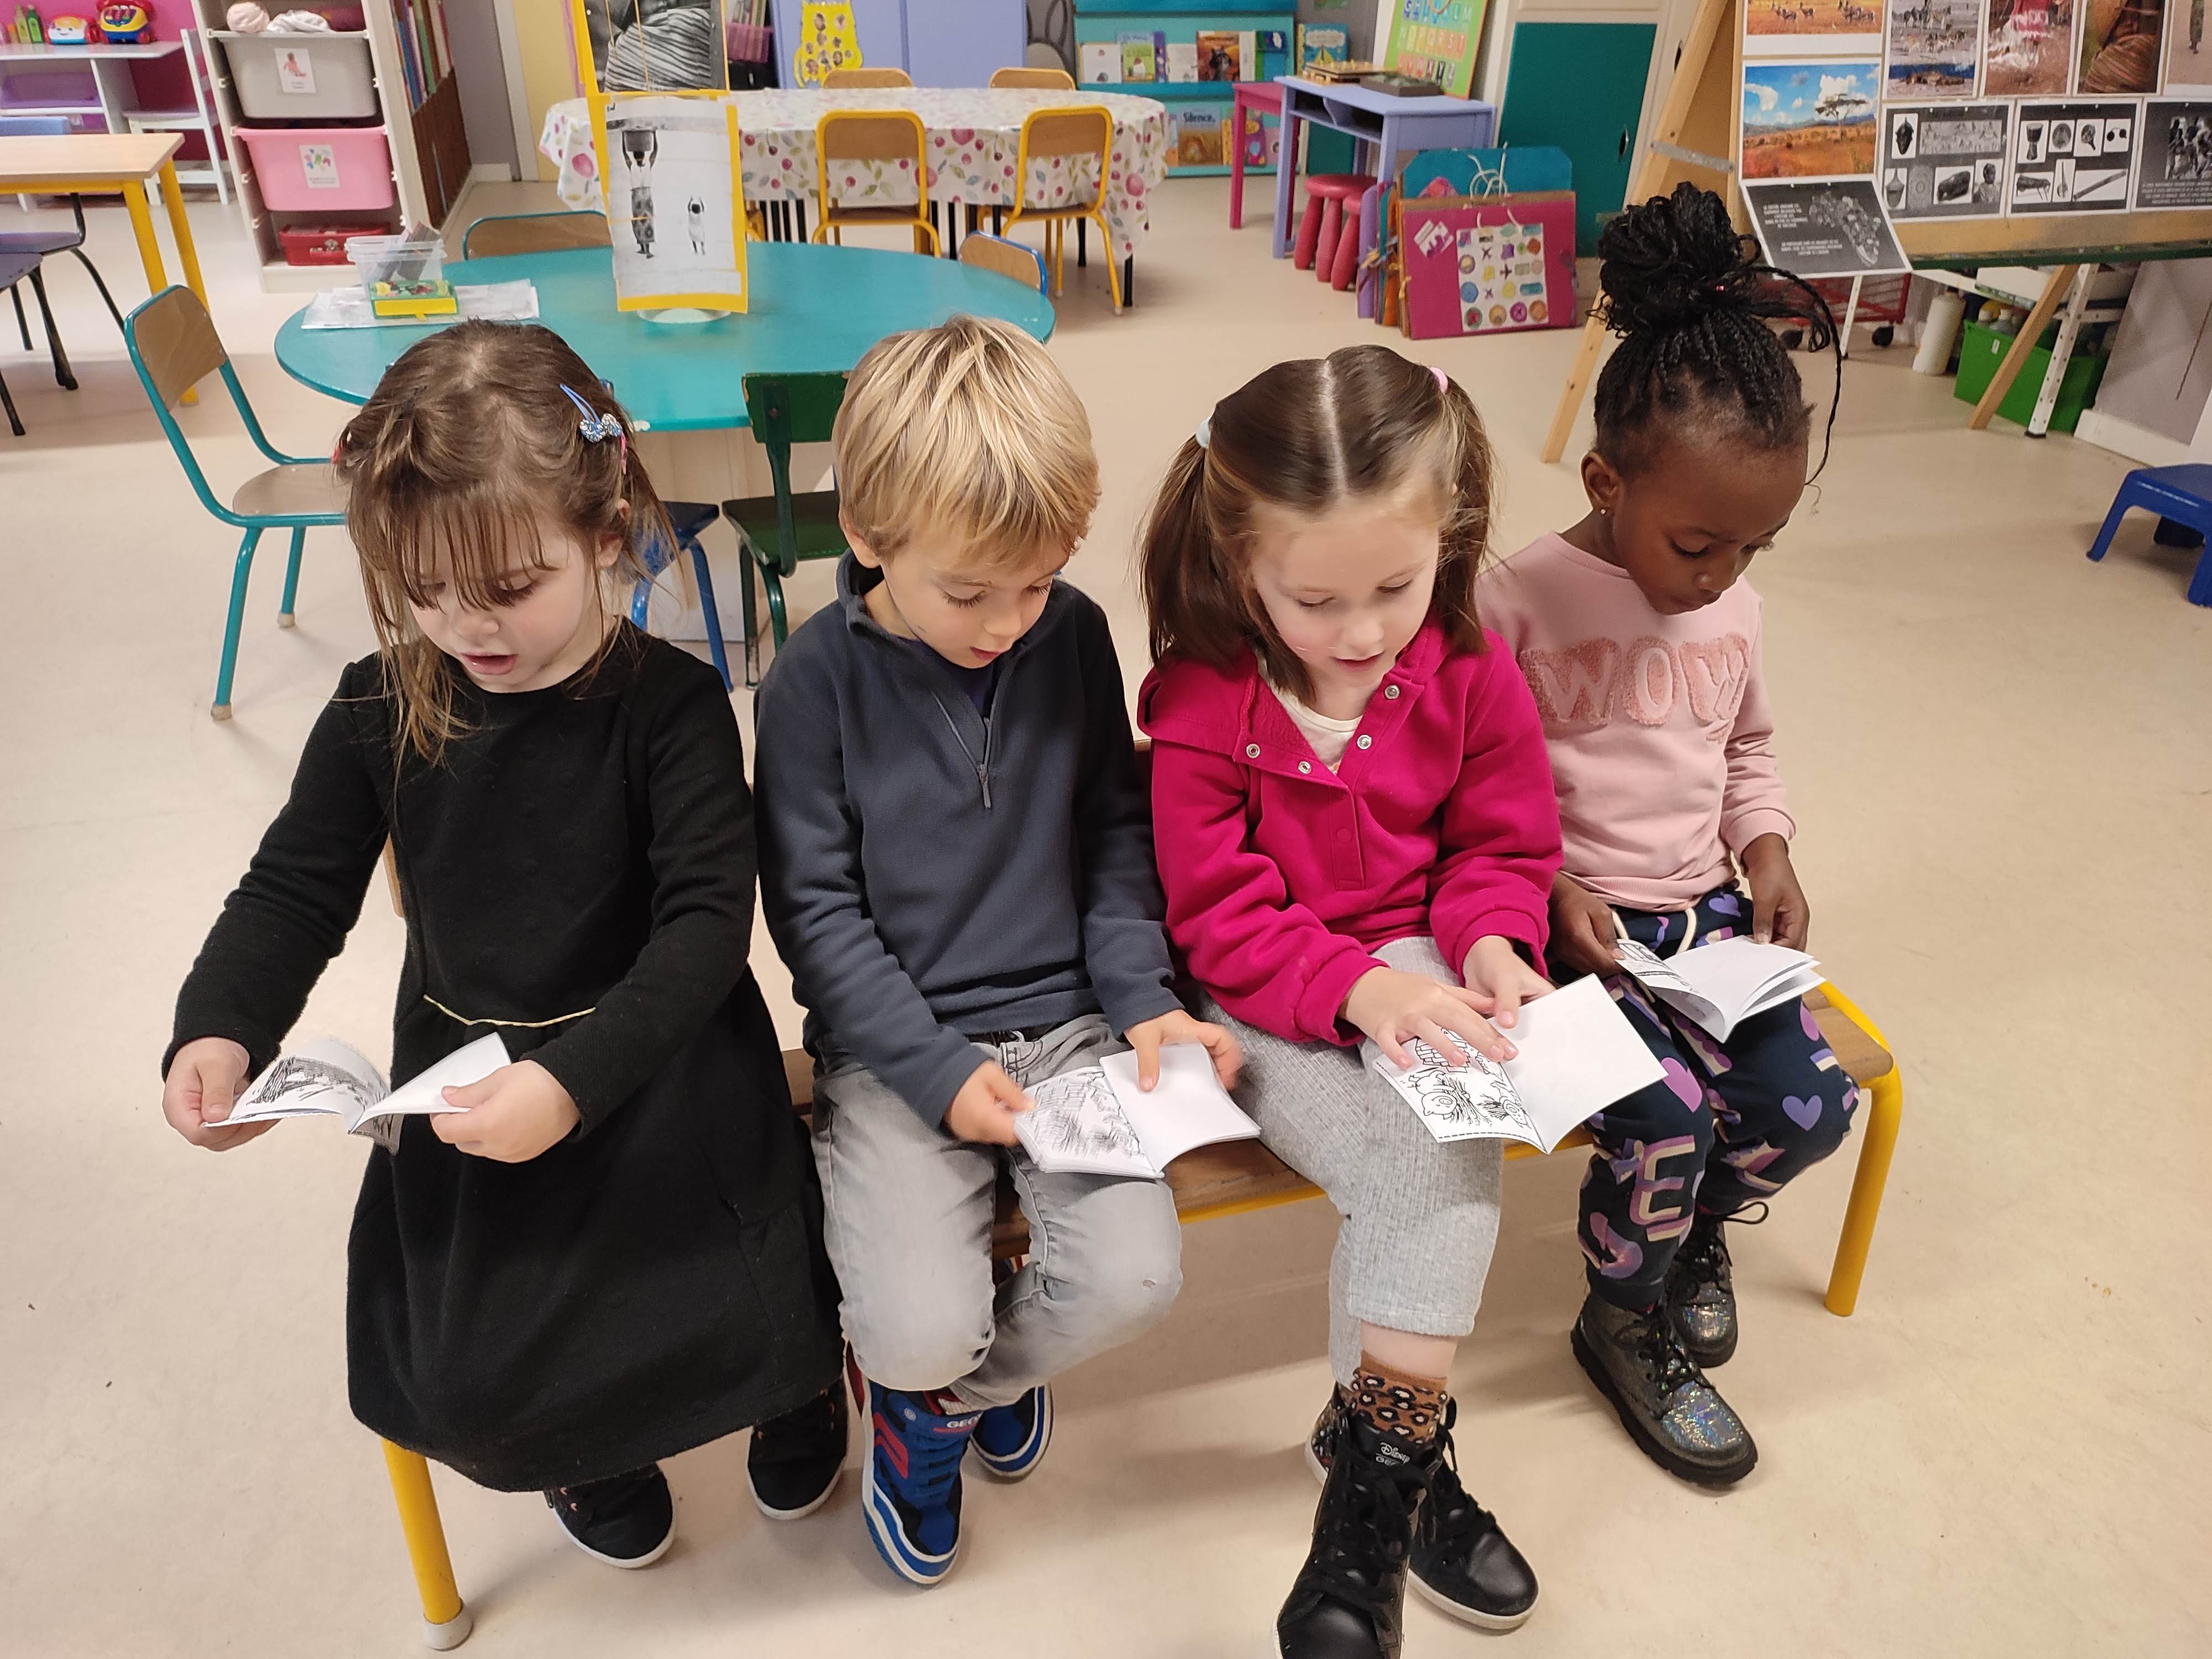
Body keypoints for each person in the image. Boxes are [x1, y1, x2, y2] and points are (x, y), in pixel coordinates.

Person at [158, 322, 846, 1569]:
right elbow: (292, 890)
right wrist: (219, 1026)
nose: (467, 625)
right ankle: (595, 1449)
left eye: (512, 588)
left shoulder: (672, 706)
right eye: (425, 592)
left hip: (660, 1055)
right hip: (471, 1074)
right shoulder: (378, 703)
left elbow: (704, 929)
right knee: (475, 1370)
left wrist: (573, 1084)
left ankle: (790, 1394)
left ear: (606, 532)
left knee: (748, 1281)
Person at [753, 315, 1239, 1588]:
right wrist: (931, 1070)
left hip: (1070, 1032)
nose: (1010, 623)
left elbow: (1113, 830)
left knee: (1133, 1280)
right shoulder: (809, 684)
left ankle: (944, 1410)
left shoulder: (1064, 634)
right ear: (866, 534)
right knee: (914, 1330)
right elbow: (815, 918)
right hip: (893, 1053)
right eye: (970, 593)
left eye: (1037, 583)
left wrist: (1140, 996)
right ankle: (920, 1386)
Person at [1139, 345, 1559, 1656]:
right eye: (1313, 600)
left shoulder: (1469, 669)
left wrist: (1493, 943)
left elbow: (1499, 848)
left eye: (1396, 586)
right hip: (1261, 1000)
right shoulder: (1202, 700)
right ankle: (1396, 1475)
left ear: (1451, 539)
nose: (1364, 634)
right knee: (1424, 1167)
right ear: (1236, 568)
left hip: (1419, 965)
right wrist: (1359, 987)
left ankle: (1362, 1507)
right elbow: (1217, 918)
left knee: (1446, 1134)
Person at [1475, 182, 1857, 1487]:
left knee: (1810, 1110)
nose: (1720, 577)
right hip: (1564, 935)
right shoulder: (1514, 600)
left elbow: (1743, 751)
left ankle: (1694, 1232)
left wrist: (1769, 849)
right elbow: (1468, 790)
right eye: (1696, 543)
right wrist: (1548, 882)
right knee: (1667, 1120)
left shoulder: (1729, 605)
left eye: (1754, 548)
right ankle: (1620, 1319)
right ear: (1603, 480)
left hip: (1704, 921)